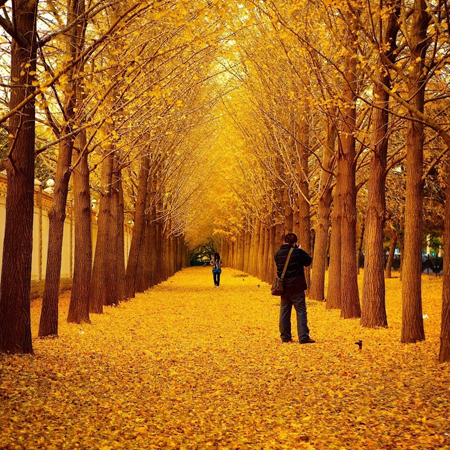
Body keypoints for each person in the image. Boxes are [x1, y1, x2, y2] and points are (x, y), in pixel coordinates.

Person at [274, 233, 314, 344]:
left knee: (284, 311)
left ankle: (285, 337)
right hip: (297, 286)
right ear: (294, 242)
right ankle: (303, 337)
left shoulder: (277, 254)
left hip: (284, 287)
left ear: (284, 241)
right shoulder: (298, 253)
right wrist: (299, 250)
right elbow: (308, 261)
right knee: (301, 311)